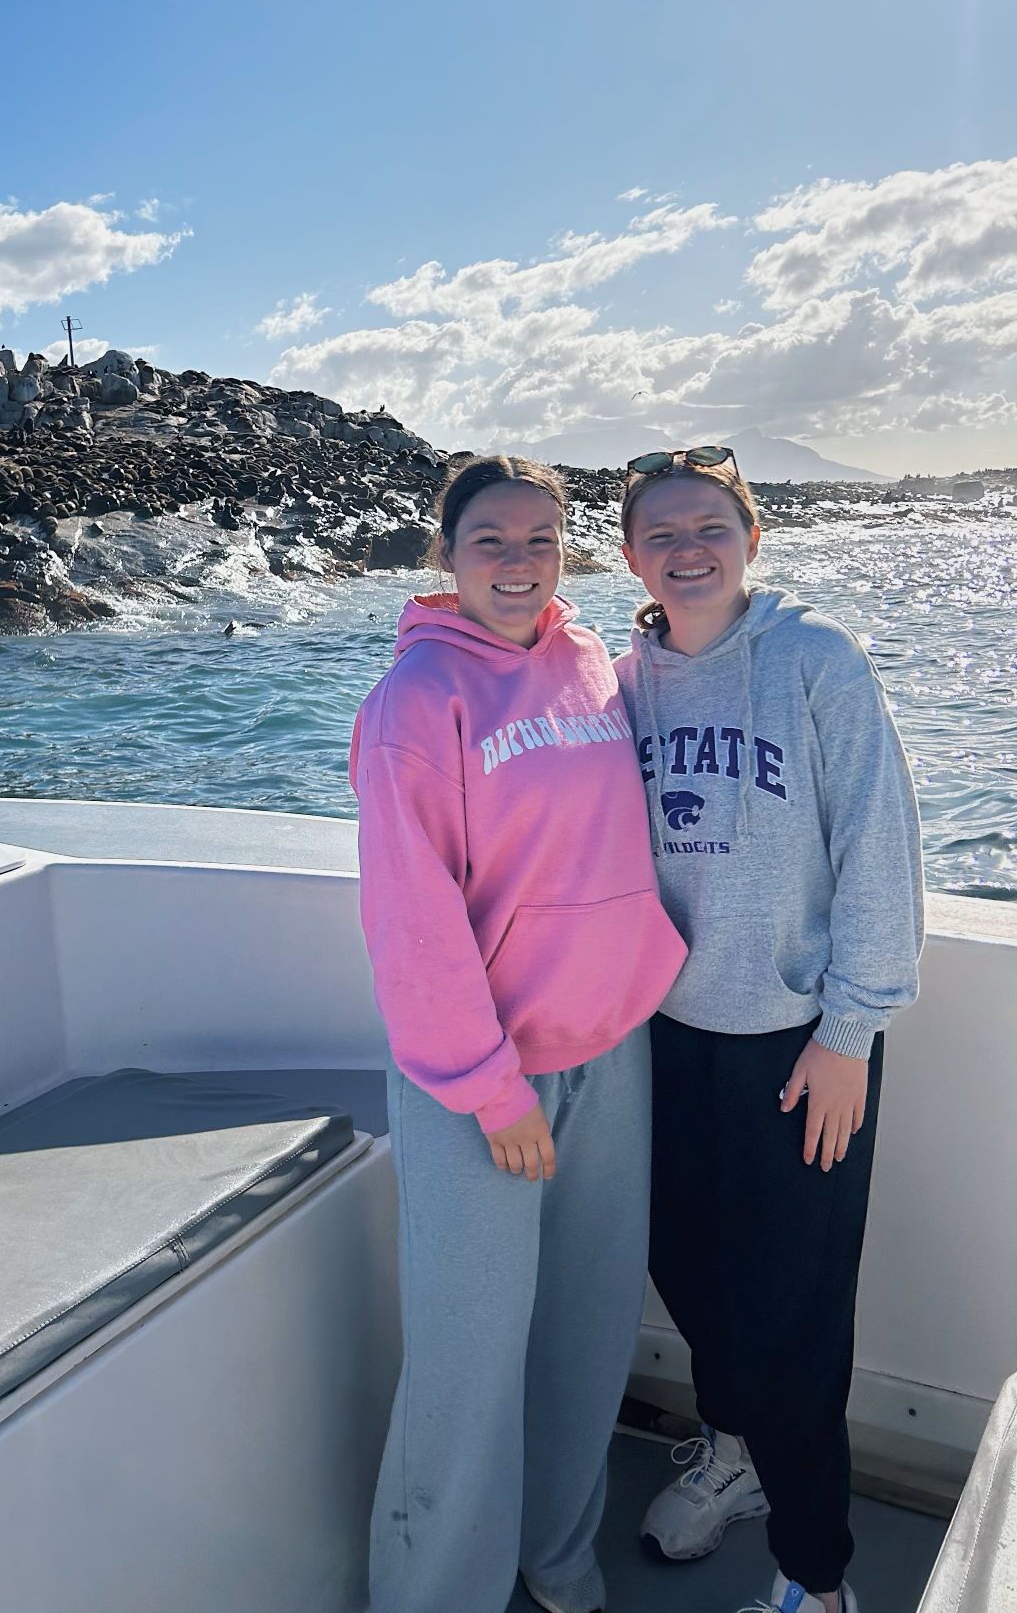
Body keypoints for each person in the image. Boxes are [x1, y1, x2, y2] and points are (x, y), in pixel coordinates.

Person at [350, 454, 686, 1613]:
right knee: (468, 1363)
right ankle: (434, 1593)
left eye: (541, 539)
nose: (518, 562)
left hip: (612, 1050)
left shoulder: (589, 659)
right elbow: (413, 920)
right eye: (491, 540)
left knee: (590, 1331)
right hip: (485, 1081)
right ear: (444, 554)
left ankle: (556, 1556)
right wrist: (492, 1090)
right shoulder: (414, 703)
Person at [614, 446, 923, 1613]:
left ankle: (818, 1578)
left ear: (752, 536)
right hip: (661, 1039)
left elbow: (880, 852)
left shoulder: (816, 663)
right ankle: (734, 1451)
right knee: (687, 1271)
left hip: (801, 1046)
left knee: (794, 1312)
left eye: (711, 526)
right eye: (662, 532)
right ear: (631, 553)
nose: (688, 549)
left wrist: (850, 1032)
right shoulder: (620, 681)